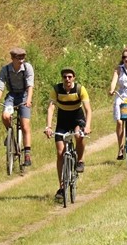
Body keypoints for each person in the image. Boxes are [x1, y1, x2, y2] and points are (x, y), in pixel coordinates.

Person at [44, 67, 92, 201]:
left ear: (74, 78)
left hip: (77, 118)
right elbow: (51, 107)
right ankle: (62, 186)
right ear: (62, 78)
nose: (67, 79)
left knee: (79, 135)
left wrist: (87, 126)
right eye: (65, 77)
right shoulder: (56, 90)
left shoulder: (80, 89)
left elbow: (88, 109)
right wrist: (48, 126)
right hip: (63, 121)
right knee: (60, 153)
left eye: (70, 77)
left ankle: (80, 160)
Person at [0, 47, 35, 166]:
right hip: (11, 96)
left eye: (23, 57)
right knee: (5, 116)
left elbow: (30, 86)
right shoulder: (5, 69)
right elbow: (0, 86)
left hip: (24, 96)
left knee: (25, 125)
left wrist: (29, 100)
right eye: (18, 58)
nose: (21, 60)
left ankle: (27, 155)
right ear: (12, 58)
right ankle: (10, 135)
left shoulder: (27, 68)